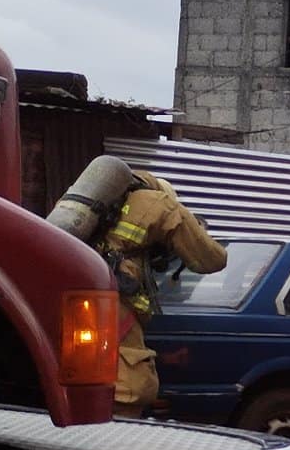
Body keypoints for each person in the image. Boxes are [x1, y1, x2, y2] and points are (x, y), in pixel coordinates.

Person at [96, 168, 228, 415]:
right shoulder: (161, 203)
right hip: (116, 302)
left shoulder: (102, 202)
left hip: (81, 292)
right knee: (130, 384)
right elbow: (212, 259)